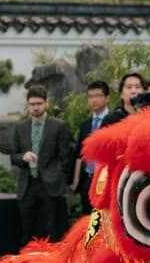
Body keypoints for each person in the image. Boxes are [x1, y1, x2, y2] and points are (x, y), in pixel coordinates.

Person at [8, 86, 75, 243]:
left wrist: (63, 181)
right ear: (27, 105)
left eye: (39, 103)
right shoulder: (20, 127)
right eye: (32, 104)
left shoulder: (59, 126)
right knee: (27, 230)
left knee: (52, 230)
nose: (36, 107)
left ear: (46, 103)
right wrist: (22, 156)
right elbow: (13, 156)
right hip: (27, 184)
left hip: (50, 185)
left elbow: (66, 157)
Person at [71, 82, 122, 207]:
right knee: (89, 220)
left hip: (107, 178)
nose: (94, 100)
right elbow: (79, 153)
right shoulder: (85, 124)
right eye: (90, 96)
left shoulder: (115, 120)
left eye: (98, 95)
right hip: (87, 179)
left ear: (107, 98)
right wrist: (76, 181)